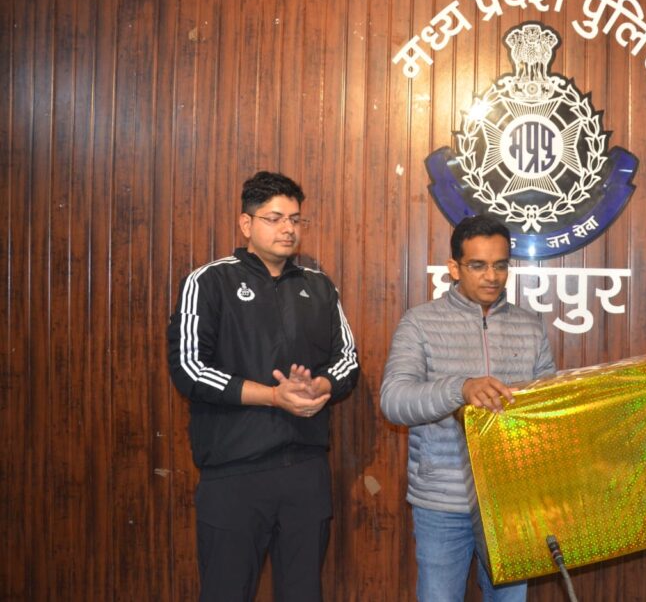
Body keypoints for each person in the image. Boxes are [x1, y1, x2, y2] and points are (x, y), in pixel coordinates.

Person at [167, 171, 359, 602]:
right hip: (234, 472)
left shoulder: (319, 286)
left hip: (305, 471)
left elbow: (348, 360)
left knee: (303, 593)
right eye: (274, 218)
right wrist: (273, 396)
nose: (288, 228)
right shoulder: (208, 281)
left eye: (295, 219)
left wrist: (320, 385)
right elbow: (189, 368)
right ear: (246, 223)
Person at [380, 214, 556, 602]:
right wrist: (460, 389)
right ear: (454, 267)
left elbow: (548, 404)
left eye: (500, 265)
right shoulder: (419, 323)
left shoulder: (530, 325)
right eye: (478, 265)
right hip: (443, 502)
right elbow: (394, 400)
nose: (492, 276)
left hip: (511, 503)